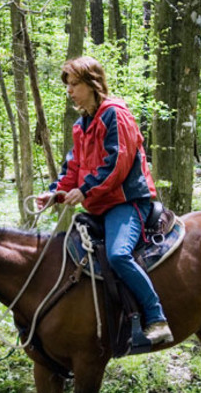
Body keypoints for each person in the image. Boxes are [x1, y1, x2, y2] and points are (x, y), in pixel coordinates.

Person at [36, 56, 172, 347]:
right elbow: (72, 167)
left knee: (118, 254)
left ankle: (156, 317)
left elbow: (117, 163)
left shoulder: (115, 114)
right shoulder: (82, 124)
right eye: (68, 85)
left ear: (92, 84)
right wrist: (55, 193)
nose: (69, 91)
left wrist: (85, 191)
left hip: (127, 201)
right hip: (100, 203)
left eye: (74, 84)